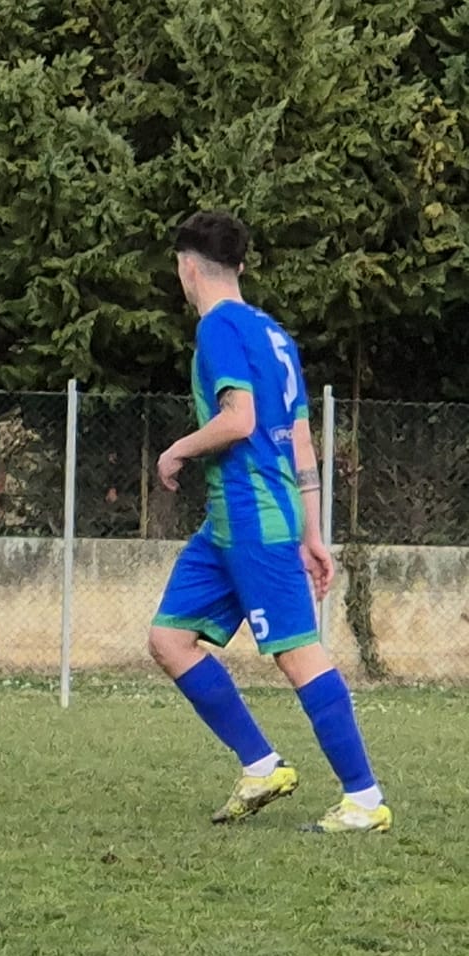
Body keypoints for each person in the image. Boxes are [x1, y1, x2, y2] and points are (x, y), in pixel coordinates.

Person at [149, 210, 388, 832]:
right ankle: (261, 765)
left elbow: (240, 420)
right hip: (231, 523)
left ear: (187, 267)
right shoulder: (273, 334)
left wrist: (176, 450)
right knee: (170, 639)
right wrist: (314, 532)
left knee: (297, 653)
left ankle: (364, 799)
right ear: (240, 266)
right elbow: (300, 440)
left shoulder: (218, 328)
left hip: (254, 517)